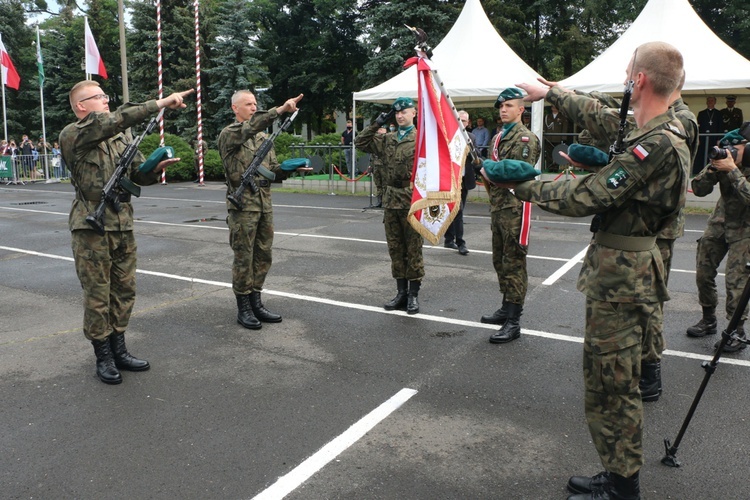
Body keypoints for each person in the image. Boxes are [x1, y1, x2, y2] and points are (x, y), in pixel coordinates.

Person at [511, 41, 689, 500]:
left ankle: (622, 486)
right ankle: (616, 472)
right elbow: (607, 127)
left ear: (641, 80)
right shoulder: (653, 133)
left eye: (628, 71)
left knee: (614, 385)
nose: (623, 77)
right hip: (622, 275)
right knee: (610, 379)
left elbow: (589, 196)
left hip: (624, 281)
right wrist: (554, 92)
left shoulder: (659, 144)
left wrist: (520, 185)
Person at [60, 80, 193, 385]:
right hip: (91, 225)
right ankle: (103, 356)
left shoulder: (120, 137)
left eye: (106, 96)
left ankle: (119, 348)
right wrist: (160, 103)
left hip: (122, 220)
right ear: (81, 106)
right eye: (98, 97)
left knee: (124, 289)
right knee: (97, 295)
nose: (105, 101)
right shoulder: (74, 134)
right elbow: (116, 119)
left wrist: (155, 169)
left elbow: (136, 176)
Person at [218, 90, 307, 330]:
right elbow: (250, 127)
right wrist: (279, 110)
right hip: (242, 207)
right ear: (235, 108)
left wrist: (288, 169)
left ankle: (256, 300)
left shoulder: (263, 139)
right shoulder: (230, 135)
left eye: (255, 104)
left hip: (264, 205)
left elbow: (272, 169)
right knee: (244, 258)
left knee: (263, 255)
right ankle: (244, 307)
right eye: (248, 104)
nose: (253, 107)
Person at [479, 88, 540, 344]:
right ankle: (506, 307)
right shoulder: (497, 138)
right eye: (501, 106)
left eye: (509, 106)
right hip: (498, 207)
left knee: (514, 263)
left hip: (515, 207)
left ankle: (514, 321)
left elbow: (516, 173)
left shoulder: (526, 139)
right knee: (500, 261)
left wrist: (486, 168)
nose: (504, 110)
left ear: (521, 109)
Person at [355, 97, 423, 314]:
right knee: (395, 248)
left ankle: (413, 295)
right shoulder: (388, 139)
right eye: (397, 112)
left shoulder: (421, 139)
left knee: (413, 249)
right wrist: (376, 123)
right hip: (392, 199)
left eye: (405, 111)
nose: (400, 115)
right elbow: (360, 142)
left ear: (414, 113)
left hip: (413, 199)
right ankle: (400, 292)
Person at [686, 130, 750, 353]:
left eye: (737, 147)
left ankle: (736, 331)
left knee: (736, 280)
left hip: (746, 228)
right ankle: (708, 319)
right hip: (720, 221)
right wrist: (713, 168)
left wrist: (733, 170)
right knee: (703, 272)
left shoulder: (734, 166)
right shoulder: (723, 159)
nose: (731, 151)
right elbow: (699, 189)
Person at [443, 110, 477, 255]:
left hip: (464, 180)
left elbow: (477, 157)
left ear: (467, 123)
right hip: (450, 180)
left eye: (463, 120)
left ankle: (449, 239)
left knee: (456, 210)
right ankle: (460, 242)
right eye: (458, 120)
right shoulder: (448, 136)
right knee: (457, 210)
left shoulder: (471, 137)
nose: (461, 123)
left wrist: (472, 152)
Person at [696, 96, 724, 174]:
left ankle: (712, 170)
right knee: (702, 154)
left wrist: (719, 139)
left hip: (714, 138)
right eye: (709, 100)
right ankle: (700, 170)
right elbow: (698, 126)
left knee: (713, 154)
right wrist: (698, 138)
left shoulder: (718, 113)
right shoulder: (701, 113)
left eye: (712, 101)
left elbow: (720, 126)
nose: (710, 102)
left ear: (715, 102)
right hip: (703, 139)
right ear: (706, 102)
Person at [543, 105, 571, 172]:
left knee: (557, 153)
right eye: (553, 107)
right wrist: (544, 136)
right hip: (549, 138)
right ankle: (550, 167)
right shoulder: (548, 117)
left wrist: (563, 138)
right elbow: (545, 127)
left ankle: (555, 167)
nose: (554, 108)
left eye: (555, 107)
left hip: (558, 138)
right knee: (549, 153)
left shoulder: (562, 117)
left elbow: (564, 128)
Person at [369, 127, 387, 208]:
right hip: (376, 165)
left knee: (385, 184)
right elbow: (372, 155)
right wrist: (370, 166)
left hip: (385, 165)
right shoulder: (375, 141)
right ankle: (379, 200)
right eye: (379, 129)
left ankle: (385, 201)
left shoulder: (388, 140)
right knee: (378, 184)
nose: (380, 131)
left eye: (382, 129)